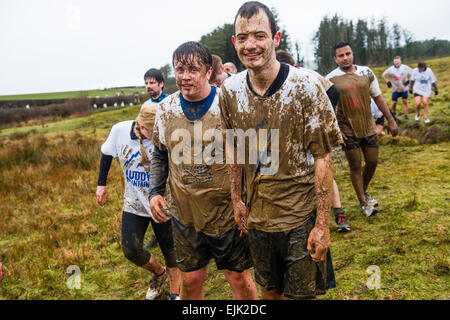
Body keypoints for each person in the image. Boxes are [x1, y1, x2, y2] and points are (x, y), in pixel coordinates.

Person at [220, 1, 343, 300]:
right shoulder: (230, 91)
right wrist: (237, 201)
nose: (251, 45)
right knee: (269, 293)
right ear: (235, 42)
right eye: (243, 37)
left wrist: (323, 224)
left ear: (275, 39)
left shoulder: (305, 87)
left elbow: (323, 157)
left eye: (259, 36)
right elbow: (233, 149)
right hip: (258, 220)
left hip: (299, 218)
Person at [149, 41, 257, 300]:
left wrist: (248, 200)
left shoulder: (229, 104)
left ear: (209, 71)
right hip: (185, 214)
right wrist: (154, 191)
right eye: (179, 69)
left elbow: (253, 155)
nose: (185, 76)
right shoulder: (166, 109)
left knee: (238, 278)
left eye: (192, 69)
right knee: (192, 279)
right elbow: (159, 153)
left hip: (227, 213)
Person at [96, 104, 181, 300]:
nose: (157, 135)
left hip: (163, 201)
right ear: (141, 126)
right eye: (153, 132)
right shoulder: (119, 130)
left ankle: (175, 295)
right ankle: (159, 273)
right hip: (134, 202)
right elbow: (107, 154)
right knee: (130, 249)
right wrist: (102, 184)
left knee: (171, 251)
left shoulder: (166, 134)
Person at [276, 49, 349, 232]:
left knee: (320, 169)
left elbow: (333, 92)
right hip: (295, 133)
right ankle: (332, 214)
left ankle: (336, 213)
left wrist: (323, 120)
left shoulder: (305, 75)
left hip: (311, 132)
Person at [326, 42, 398, 217]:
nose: (345, 58)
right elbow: (326, 107)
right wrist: (336, 129)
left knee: (372, 162)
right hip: (346, 128)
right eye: (341, 55)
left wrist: (390, 119)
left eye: (348, 54)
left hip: (368, 125)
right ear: (335, 59)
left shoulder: (367, 72)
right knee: (355, 165)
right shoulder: (330, 79)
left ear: (353, 54)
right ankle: (363, 202)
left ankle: (363, 191)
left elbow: (378, 97)